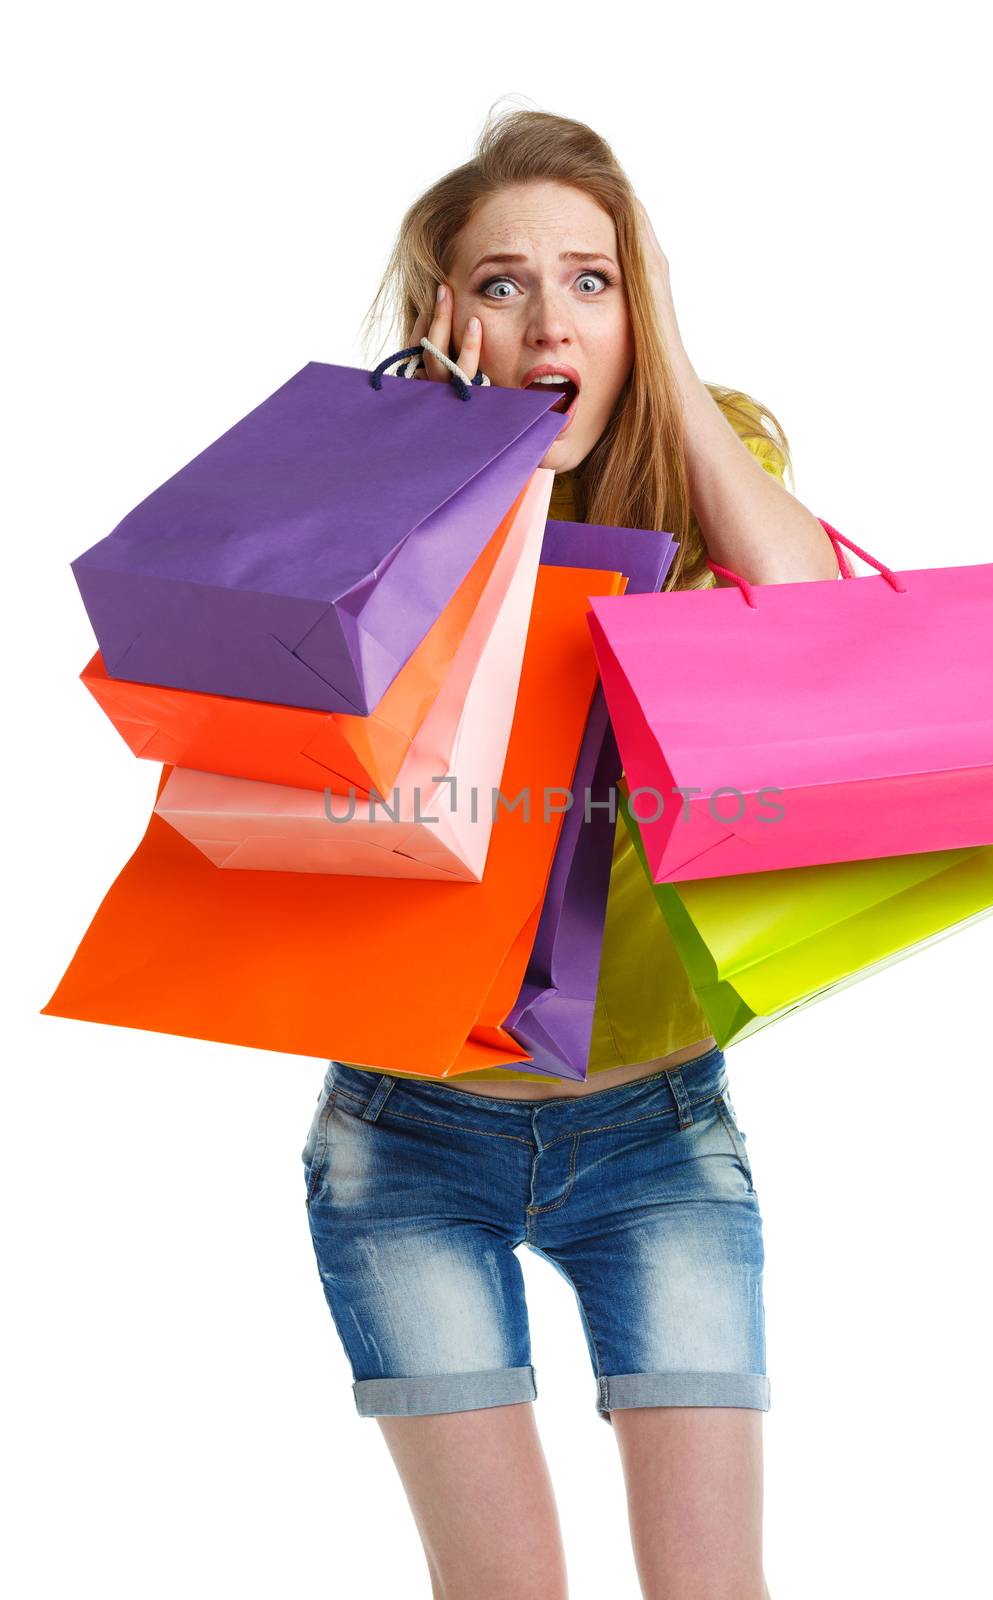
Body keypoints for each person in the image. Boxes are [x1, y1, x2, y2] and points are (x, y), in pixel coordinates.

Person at [301, 104, 840, 1600]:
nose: (549, 316)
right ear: (443, 314)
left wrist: (657, 372)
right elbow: (370, 743)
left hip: (655, 1133)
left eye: (591, 281)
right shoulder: (358, 490)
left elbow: (809, 623)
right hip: (406, 1136)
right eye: (501, 282)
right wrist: (469, 454)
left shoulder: (712, 463)